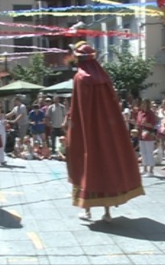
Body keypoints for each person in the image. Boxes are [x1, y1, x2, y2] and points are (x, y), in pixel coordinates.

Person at [65, 42, 144, 222]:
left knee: (85, 164)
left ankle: (86, 211)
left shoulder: (79, 78)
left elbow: (77, 107)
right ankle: (107, 212)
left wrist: (71, 124)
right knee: (106, 164)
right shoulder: (105, 77)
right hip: (106, 130)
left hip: (87, 130)